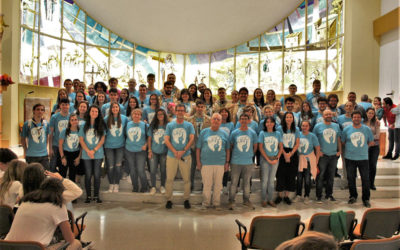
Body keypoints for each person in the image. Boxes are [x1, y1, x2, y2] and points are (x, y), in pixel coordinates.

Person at [6, 178, 82, 249]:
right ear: (61, 192)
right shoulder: (58, 206)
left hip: (7, 246)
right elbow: (69, 239)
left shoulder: (25, 202)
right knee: (76, 243)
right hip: (35, 248)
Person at [196, 113, 230, 210]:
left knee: (218, 185)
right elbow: (198, 148)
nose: (216, 121)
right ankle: (206, 203)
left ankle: (216, 203)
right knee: (207, 185)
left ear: (220, 122)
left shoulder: (224, 134)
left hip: (220, 163)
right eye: (214, 119)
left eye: (218, 119)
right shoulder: (204, 132)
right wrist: (198, 162)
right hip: (206, 163)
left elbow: (227, 149)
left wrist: (227, 162)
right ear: (211, 120)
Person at [164, 104, 195, 209]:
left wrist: (183, 150)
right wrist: (174, 151)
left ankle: (186, 199)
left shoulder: (189, 125)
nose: (180, 112)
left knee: (186, 179)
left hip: (185, 156)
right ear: (175, 112)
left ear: (185, 112)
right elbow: (166, 140)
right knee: (169, 179)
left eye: (182, 110)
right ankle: (169, 199)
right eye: (178, 110)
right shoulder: (170, 125)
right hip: (172, 156)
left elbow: (191, 139)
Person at [342, 110, 374, 207]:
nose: (356, 119)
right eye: (354, 117)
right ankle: (353, 196)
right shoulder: (346, 129)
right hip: (350, 158)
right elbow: (343, 142)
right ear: (352, 118)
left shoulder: (367, 129)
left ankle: (366, 198)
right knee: (351, 178)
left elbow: (371, 142)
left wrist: (362, 148)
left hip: (363, 158)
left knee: (365, 179)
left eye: (358, 117)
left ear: (361, 118)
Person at [228, 113, 258, 210]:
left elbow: (255, 146)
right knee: (234, 183)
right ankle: (231, 201)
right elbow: (231, 146)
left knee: (246, 183)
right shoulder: (234, 133)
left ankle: (246, 200)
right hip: (236, 162)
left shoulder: (252, 133)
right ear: (239, 121)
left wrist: (250, 155)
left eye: (246, 119)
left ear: (249, 120)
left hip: (248, 162)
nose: (244, 120)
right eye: (242, 119)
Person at [313, 109, 342, 203]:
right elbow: (314, 140)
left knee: (331, 176)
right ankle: (318, 196)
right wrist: (318, 152)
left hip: (333, 155)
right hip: (323, 155)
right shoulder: (318, 126)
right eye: (326, 114)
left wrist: (340, 151)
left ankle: (329, 195)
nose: (328, 115)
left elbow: (338, 139)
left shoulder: (336, 126)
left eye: (330, 114)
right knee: (320, 176)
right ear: (323, 116)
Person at [79, 105, 105, 203]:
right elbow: (81, 140)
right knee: (88, 175)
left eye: (96, 112)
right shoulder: (83, 125)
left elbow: (102, 139)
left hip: (98, 153)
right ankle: (89, 196)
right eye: (92, 111)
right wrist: (88, 151)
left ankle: (97, 196)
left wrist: (94, 150)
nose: (94, 113)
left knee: (97, 175)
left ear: (98, 114)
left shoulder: (101, 125)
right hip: (86, 154)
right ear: (89, 112)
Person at [275, 112, 300, 205]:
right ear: (284, 119)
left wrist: (291, 154)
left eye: (290, 117)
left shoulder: (296, 129)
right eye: (287, 117)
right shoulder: (280, 129)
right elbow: (279, 143)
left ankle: (286, 196)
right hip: (282, 151)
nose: (289, 118)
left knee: (291, 174)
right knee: (281, 174)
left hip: (292, 152)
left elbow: (297, 143)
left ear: (293, 119)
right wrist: (285, 154)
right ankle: (280, 196)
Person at [258, 116, 283, 207]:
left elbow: (280, 147)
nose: (269, 124)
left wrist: (277, 158)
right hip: (265, 159)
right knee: (264, 181)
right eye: (267, 122)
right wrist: (268, 159)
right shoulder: (262, 133)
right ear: (265, 124)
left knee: (271, 181)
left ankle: (270, 200)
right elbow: (260, 148)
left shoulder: (277, 133)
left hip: (275, 159)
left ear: (274, 123)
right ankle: (264, 199)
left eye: (271, 122)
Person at [187, 100, 211, 191]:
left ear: (204, 108)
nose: (200, 108)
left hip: (204, 147)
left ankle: (204, 184)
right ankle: (190, 184)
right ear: (196, 107)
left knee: (204, 167)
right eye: (198, 106)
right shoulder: (190, 120)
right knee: (192, 166)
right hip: (193, 146)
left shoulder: (209, 119)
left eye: (202, 107)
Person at [294, 120, 320, 204]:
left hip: (309, 160)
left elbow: (317, 148)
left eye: (306, 126)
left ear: (309, 127)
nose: (304, 127)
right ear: (300, 126)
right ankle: (298, 195)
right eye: (303, 126)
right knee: (299, 178)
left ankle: (307, 196)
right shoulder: (298, 135)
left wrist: (316, 161)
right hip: (300, 159)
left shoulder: (312, 136)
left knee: (307, 179)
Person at [104, 102, 127, 193]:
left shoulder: (124, 118)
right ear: (111, 109)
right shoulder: (106, 119)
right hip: (108, 146)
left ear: (119, 108)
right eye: (113, 107)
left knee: (118, 166)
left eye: (116, 107)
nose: (115, 109)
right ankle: (111, 184)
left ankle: (116, 184)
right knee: (110, 167)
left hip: (120, 146)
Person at [125, 108, 148, 193]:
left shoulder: (144, 125)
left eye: (138, 114)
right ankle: (135, 186)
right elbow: (124, 136)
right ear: (132, 115)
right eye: (134, 114)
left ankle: (144, 186)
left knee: (140, 169)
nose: (136, 115)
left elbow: (149, 137)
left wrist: (146, 145)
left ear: (141, 116)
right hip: (129, 150)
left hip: (141, 150)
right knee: (132, 170)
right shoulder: (127, 124)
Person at [21, 103, 50, 170]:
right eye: (38, 109)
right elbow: (22, 138)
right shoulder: (27, 124)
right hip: (31, 155)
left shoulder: (46, 124)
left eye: (42, 110)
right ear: (34, 111)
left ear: (44, 112)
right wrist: (25, 150)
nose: (40, 111)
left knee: (45, 174)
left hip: (44, 155)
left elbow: (47, 137)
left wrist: (46, 148)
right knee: (32, 176)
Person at [148, 109, 169, 195]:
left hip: (164, 151)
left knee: (163, 170)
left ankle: (162, 186)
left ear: (164, 115)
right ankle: (153, 187)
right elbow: (149, 139)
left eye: (162, 114)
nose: (160, 116)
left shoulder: (168, 126)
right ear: (156, 116)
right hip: (154, 151)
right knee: (153, 170)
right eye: (158, 114)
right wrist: (149, 150)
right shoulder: (153, 125)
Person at [49, 98, 70, 172]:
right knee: (52, 166)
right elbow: (50, 133)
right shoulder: (54, 117)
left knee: (63, 167)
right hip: (55, 145)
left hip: (66, 146)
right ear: (60, 106)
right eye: (63, 105)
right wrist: (50, 148)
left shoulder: (71, 117)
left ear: (69, 106)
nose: (65, 106)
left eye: (66, 104)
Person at [59, 114, 81, 182]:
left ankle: (72, 190)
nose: (74, 121)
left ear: (78, 120)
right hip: (66, 153)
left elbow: (82, 146)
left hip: (75, 154)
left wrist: (79, 158)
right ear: (69, 121)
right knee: (63, 174)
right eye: (72, 120)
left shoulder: (80, 131)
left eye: (75, 120)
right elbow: (60, 145)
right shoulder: (64, 131)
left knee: (72, 175)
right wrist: (63, 157)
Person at [219, 108, 234, 194]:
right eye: (222, 112)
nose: (224, 113)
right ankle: (218, 185)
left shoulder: (231, 124)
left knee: (226, 167)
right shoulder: (218, 122)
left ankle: (224, 185)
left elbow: (232, 135)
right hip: (219, 149)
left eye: (225, 112)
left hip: (228, 148)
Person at [364, 108, 380, 190]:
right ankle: (366, 183)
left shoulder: (376, 123)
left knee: (373, 165)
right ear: (366, 113)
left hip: (374, 147)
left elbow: (377, 135)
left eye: (372, 113)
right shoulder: (362, 122)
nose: (370, 114)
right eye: (369, 113)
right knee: (366, 166)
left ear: (374, 114)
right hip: (364, 147)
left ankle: (372, 183)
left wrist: (368, 139)